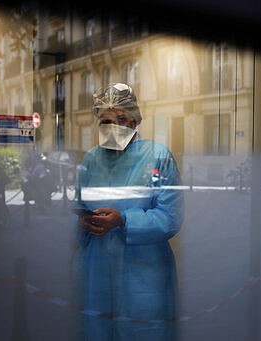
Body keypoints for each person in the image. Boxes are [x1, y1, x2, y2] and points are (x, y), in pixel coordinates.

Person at [72, 82, 184, 340]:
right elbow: (77, 206)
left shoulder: (158, 157)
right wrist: (82, 223)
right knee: (98, 330)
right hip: (97, 270)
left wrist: (123, 220)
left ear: (134, 120)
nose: (113, 126)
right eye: (105, 120)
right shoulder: (91, 160)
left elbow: (171, 216)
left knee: (144, 330)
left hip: (144, 273)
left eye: (120, 118)